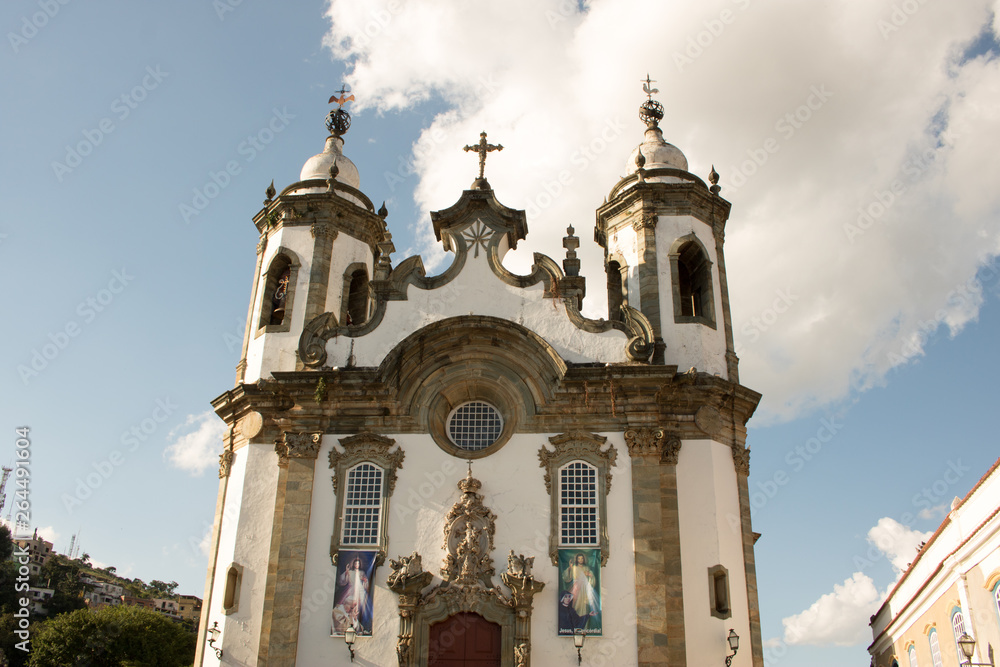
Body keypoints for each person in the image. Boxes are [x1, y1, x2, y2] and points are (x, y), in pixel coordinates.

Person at [561, 552, 600, 632]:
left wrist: (590, 576)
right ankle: (574, 627)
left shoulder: (586, 568)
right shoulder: (574, 567)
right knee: (575, 606)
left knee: (584, 607)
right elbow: (567, 577)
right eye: (579, 558)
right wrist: (570, 568)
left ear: (584, 559)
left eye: (582, 558)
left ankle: (584, 627)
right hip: (576, 589)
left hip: (584, 590)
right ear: (577, 559)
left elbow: (592, 580)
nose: (580, 560)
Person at [333, 556, 371, 635]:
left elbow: (365, 584)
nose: (356, 565)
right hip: (351, 590)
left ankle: (357, 623)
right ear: (353, 564)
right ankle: (351, 623)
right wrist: (346, 572)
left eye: (358, 563)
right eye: (355, 563)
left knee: (360, 607)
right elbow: (342, 582)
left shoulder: (362, 572)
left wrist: (365, 581)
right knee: (347, 602)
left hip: (360, 591)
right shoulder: (350, 572)